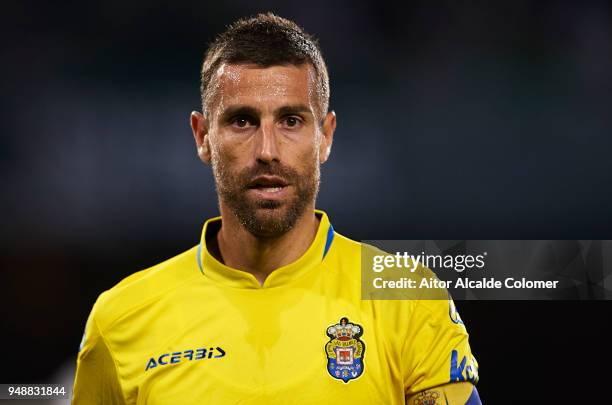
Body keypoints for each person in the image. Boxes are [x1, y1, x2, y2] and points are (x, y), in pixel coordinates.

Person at [72, 13, 481, 404]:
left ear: (325, 136)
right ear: (203, 136)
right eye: (242, 121)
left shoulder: (408, 301)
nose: (267, 151)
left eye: (290, 121)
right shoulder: (120, 320)